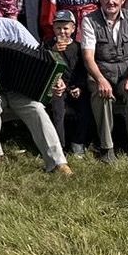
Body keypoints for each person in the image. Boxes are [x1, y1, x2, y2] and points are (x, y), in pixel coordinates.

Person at [0, 0, 72, 175]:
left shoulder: (12, 26)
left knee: (36, 108)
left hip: (20, 88)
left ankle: (58, 162)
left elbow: (41, 56)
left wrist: (56, 79)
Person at [80, 0, 128, 162]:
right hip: (101, 71)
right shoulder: (89, 20)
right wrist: (100, 79)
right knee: (102, 94)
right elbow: (88, 56)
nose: (111, 2)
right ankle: (106, 146)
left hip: (126, 72)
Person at [45, 10, 91, 156]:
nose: (62, 32)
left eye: (66, 28)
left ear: (73, 28)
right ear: (53, 28)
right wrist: (52, 52)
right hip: (56, 88)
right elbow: (41, 65)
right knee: (58, 110)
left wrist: (79, 86)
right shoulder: (47, 46)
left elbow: (83, 70)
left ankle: (78, 142)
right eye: (58, 28)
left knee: (84, 107)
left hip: (74, 86)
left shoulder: (78, 47)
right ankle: (60, 145)